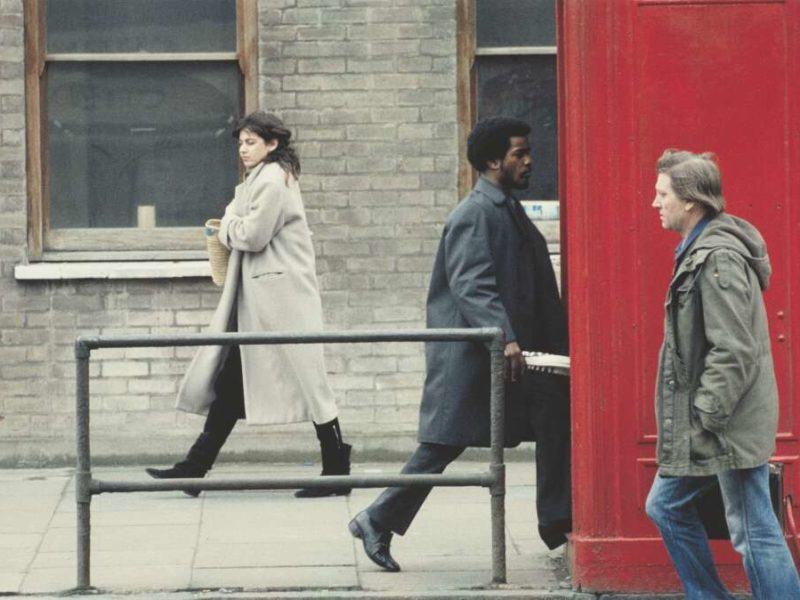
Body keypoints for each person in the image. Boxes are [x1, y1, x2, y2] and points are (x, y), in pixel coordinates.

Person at [348, 116, 571, 572]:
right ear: (493, 161)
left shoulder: (505, 206)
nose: (529, 161)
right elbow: (473, 284)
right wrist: (504, 338)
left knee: (555, 415)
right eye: (518, 154)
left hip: (508, 353)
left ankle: (558, 519)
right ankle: (376, 518)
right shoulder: (474, 213)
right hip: (475, 357)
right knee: (442, 444)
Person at [146, 111, 351, 499]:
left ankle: (338, 467)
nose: (243, 149)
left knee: (310, 379)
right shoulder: (260, 179)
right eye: (240, 143)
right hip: (264, 297)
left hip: (281, 297)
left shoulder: (272, 180)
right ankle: (195, 466)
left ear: (272, 144)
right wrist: (232, 219)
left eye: (251, 142)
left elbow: (253, 235)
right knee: (232, 383)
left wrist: (225, 225)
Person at [645, 149, 800, 599]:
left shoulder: (718, 259)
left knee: (749, 528)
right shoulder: (701, 250)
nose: (655, 203)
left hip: (724, 422)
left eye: (662, 194)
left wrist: (705, 417)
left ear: (690, 201)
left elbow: (733, 349)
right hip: (722, 420)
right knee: (743, 523)